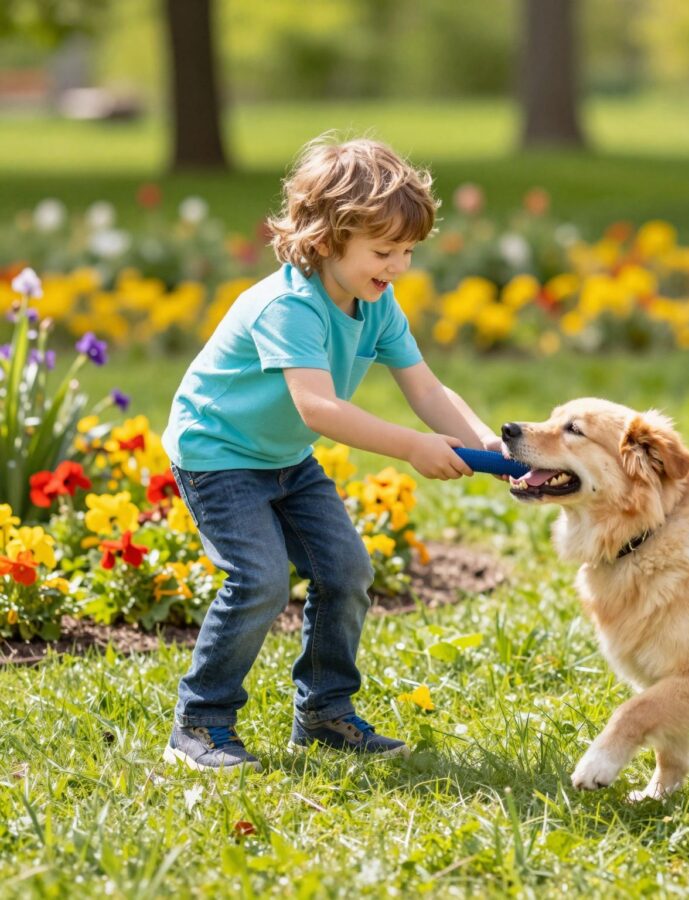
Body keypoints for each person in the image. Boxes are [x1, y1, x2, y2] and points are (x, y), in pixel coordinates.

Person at [161, 134, 500, 771]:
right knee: (258, 579)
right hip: (219, 455)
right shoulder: (289, 306)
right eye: (383, 250)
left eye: (406, 251)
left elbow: (424, 385)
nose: (397, 265)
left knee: (347, 571)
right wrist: (411, 448)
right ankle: (200, 723)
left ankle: (324, 712)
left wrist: (482, 441)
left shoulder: (376, 301)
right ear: (326, 237)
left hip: (284, 458)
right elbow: (319, 408)